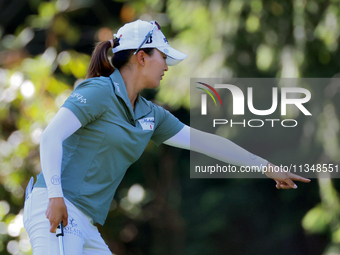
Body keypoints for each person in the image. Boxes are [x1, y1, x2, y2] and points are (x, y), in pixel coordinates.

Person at [23, 20, 310, 255]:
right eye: (163, 57)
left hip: (85, 221)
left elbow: (206, 142)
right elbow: (50, 137)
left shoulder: (151, 114)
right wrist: (55, 196)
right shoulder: (99, 91)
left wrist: (265, 166)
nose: (167, 66)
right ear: (142, 57)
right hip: (56, 207)